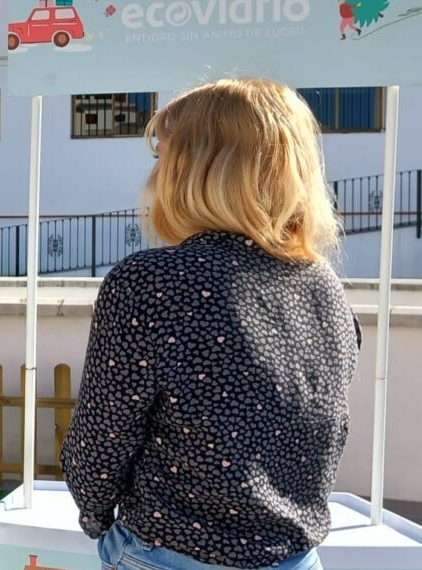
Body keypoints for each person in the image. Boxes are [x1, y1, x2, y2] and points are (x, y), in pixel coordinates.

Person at [60, 77, 361, 570]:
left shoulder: (152, 282)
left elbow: (101, 441)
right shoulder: (322, 283)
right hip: (295, 556)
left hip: (172, 553)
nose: (153, 176)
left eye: (163, 158)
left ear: (194, 170)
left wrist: (97, 519)